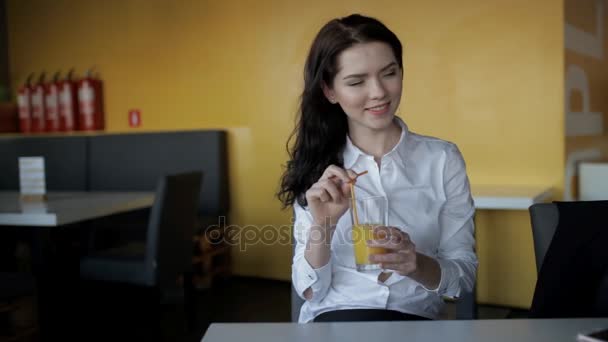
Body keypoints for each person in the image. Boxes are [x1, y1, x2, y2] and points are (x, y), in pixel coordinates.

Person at [277, 13, 477, 323]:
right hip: (334, 321)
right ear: (330, 91)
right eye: (357, 81)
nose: (379, 92)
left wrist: (417, 265)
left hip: (415, 323)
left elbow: (462, 279)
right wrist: (324, 226)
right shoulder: (318, 167)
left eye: (389, 73)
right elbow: (311, 293)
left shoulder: (442, 159)